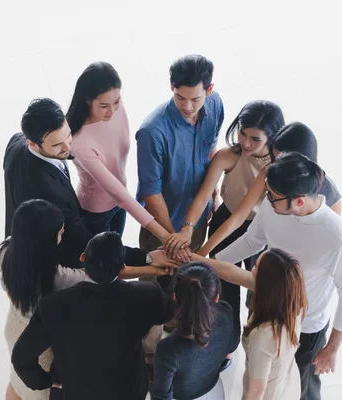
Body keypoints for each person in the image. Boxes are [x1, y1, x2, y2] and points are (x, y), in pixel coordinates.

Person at [213, 153, 342, 400]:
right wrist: (213, 263)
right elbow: (251, 241)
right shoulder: (274, 208)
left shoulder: (336, 235)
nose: (266, 198)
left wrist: (332, 347)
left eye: (271, 195)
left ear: (299, 201)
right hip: (267, 307)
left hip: (306, 326)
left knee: (301, 386)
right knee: (263, 377)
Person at [0, 200, 169, 400]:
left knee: (17, 387)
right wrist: (153, 267)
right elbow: (105, 275)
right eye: (61, 233)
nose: (64, 236)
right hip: (44, 347)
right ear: (46, 242)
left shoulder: (7, 251)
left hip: (16, 328)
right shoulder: (61, 279)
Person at [3, 97, 178, 269]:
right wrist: (146, 257)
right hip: (49, 259)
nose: (68, 148)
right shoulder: (48, 193)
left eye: (68, 135)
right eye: (57, 145)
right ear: (33, 144)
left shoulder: (16, 142)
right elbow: (85, 243)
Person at [165, 100, 285, 343]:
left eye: (255, 139)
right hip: (225, 221)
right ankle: (228, 342)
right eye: (242, 133)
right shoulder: (228, 156)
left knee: (259, 290)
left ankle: (255, 335)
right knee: (225, 287)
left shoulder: (277, 168)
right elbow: (202, 197)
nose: (246, 143)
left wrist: (200, 255)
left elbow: (243, 215)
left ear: (272, 139)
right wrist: (190, 232)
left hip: (259, 230)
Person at [136, 54, 224, 360]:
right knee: (152, 290)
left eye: (195, 99)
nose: (187, 106)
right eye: (179, 97)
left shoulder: (215, 106)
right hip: (162, 227)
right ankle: (147, 356)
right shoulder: (152, 131)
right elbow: (150, 191)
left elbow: (210, 152)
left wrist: (211, 195)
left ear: (209, 90)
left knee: (187, 285)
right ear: (171, 88)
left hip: (196, 221)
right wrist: (173, 236)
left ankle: (178, 344)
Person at [198, 122, 342, 259]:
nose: (275, 165)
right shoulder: (271, 172)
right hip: (270, 254)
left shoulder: (329, 197)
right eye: (274, 158)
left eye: (282, 160)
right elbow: (244, 228)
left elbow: (326, 249)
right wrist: (203, 256)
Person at [67, 62, 171, 240]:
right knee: (101, 263)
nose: (112, 110)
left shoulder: (115, 107)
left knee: (117, 256)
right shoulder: (79, 142)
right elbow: (120, 195)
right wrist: (166, 236)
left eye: (116, 101)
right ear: (87, 100)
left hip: (120, 203)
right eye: (104, 105)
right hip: (95, 212)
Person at [192, 248, 307, 400]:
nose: (251, 269)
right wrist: (193, 258)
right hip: (288, 383)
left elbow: (256, 392)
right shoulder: (292, 299)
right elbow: (231, 272)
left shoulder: (264, 336)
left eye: (256, 267)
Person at [150, 263, 239, 400]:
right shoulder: (225, 312)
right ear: (216, 297)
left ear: (174, 297)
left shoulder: (168, 348)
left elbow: (161, 396)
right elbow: (230, 348)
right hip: (215, 389)